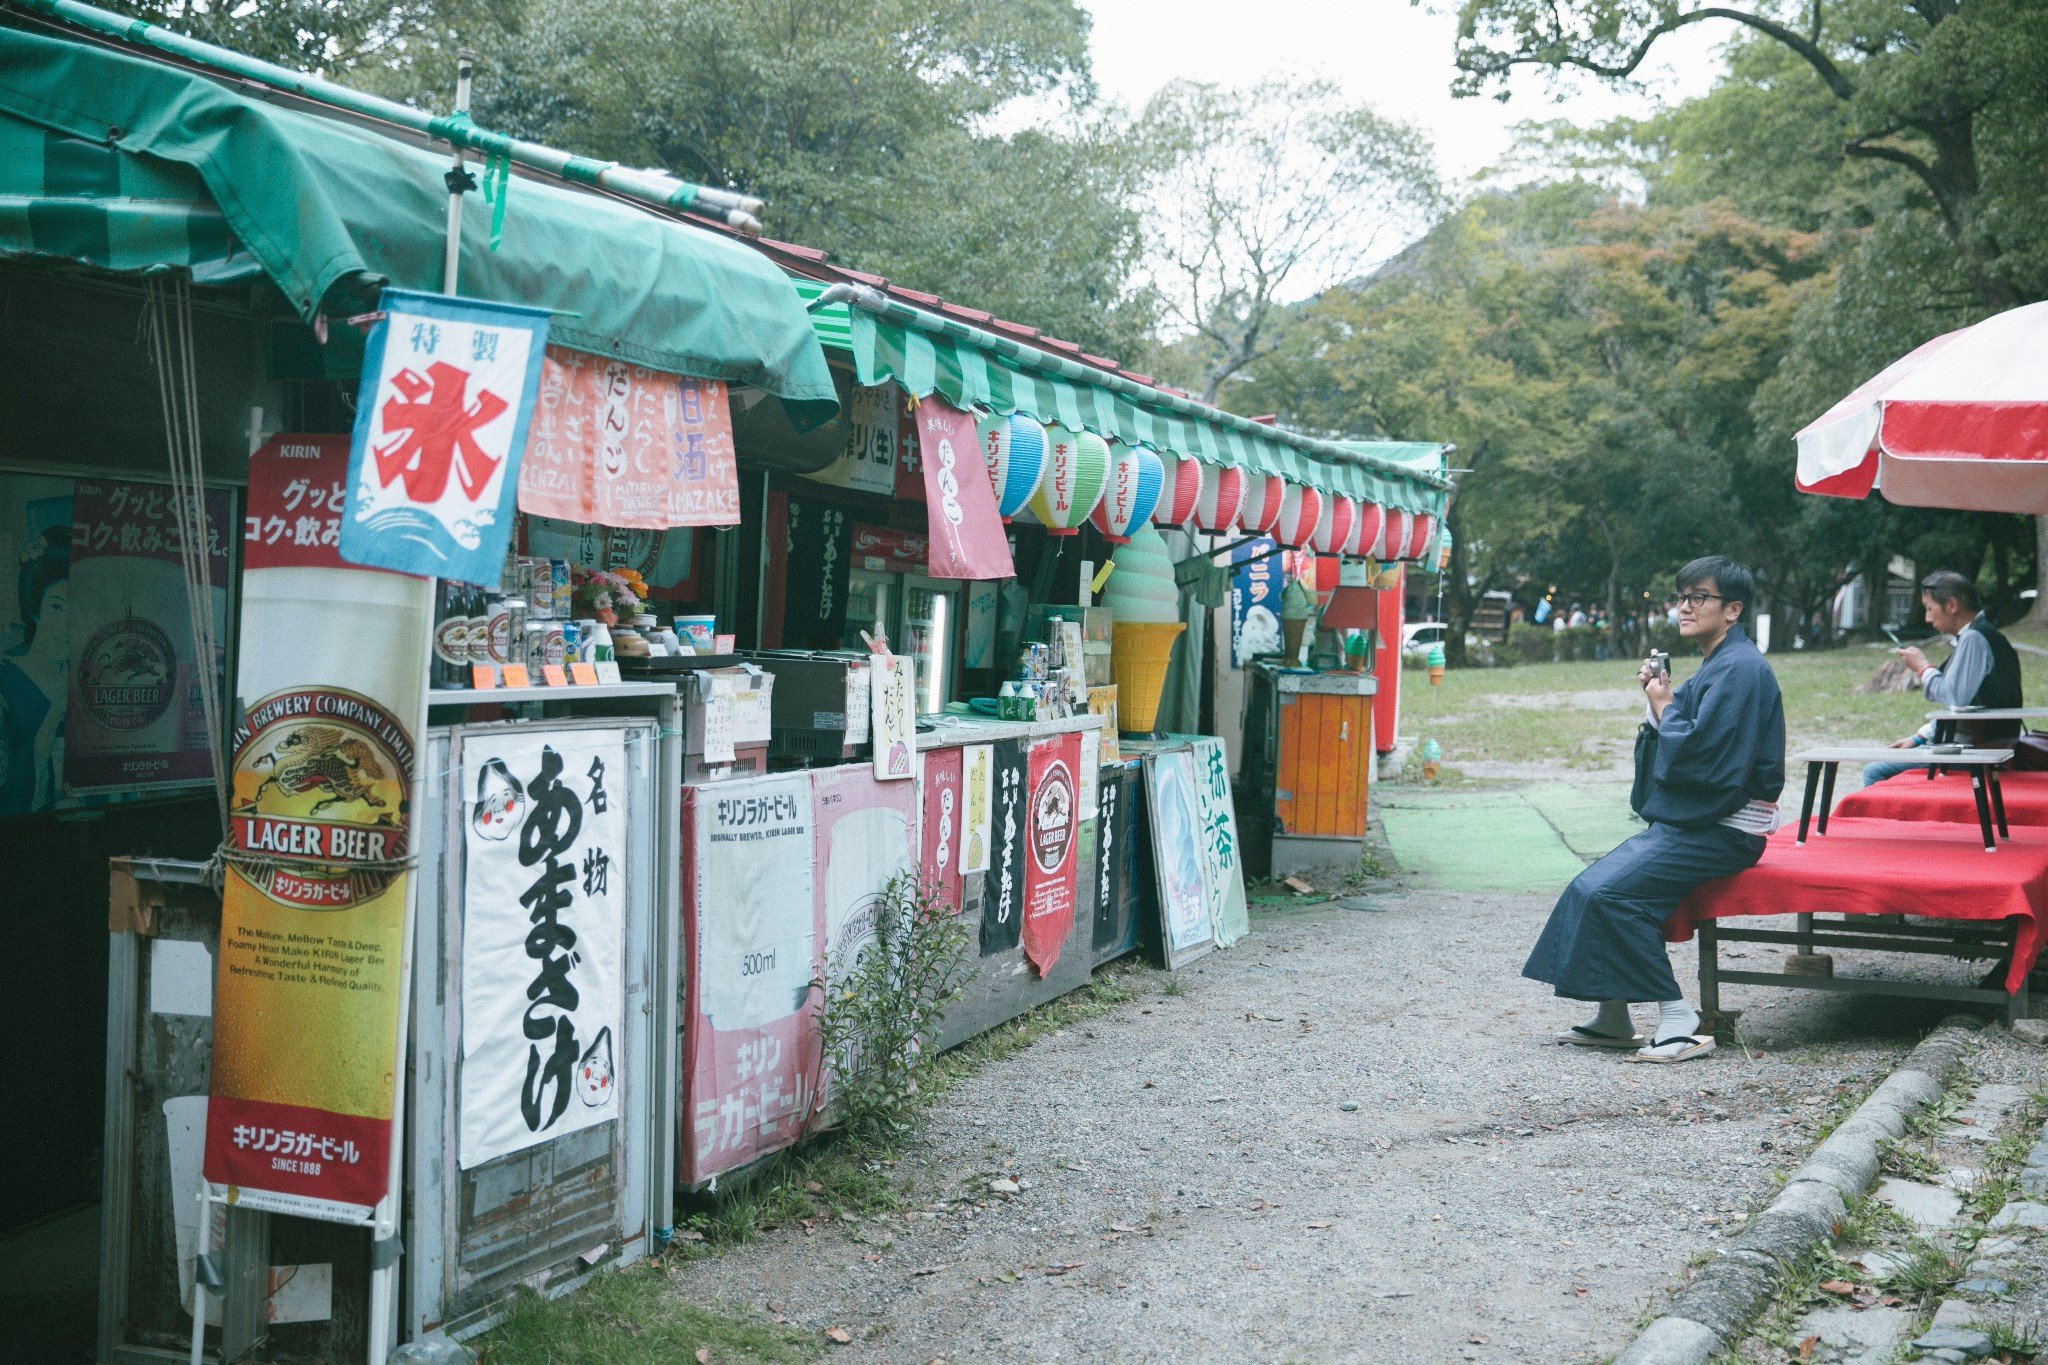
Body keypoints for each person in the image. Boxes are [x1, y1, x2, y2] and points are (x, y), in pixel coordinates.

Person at [1523, 556, 1785, 1064]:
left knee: (1611, 895)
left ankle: (1678, 1020)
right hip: (1699, 822)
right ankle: (1614, 1017)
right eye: (1682, 597)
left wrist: (1664, 705)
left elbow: (1709, 762)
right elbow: (1685, 735)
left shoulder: (1741, 669)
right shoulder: (1721, 663)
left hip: (1723, 829)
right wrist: (1658, 699)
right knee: (1589, 886)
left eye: (1699, 597)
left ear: (1733, 610)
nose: (1685, 607)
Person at [1862, 570, 2022, 786]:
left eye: (1930, 609)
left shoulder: (1974, 638)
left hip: (1978, 750)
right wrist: (1919, 737)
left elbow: (1954, 698)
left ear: (1952, 605)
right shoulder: (1980, 635)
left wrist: (1923, 667)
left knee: (1875, 771)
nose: (1927, 618)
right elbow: (1964, 708)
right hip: (1982, 744)